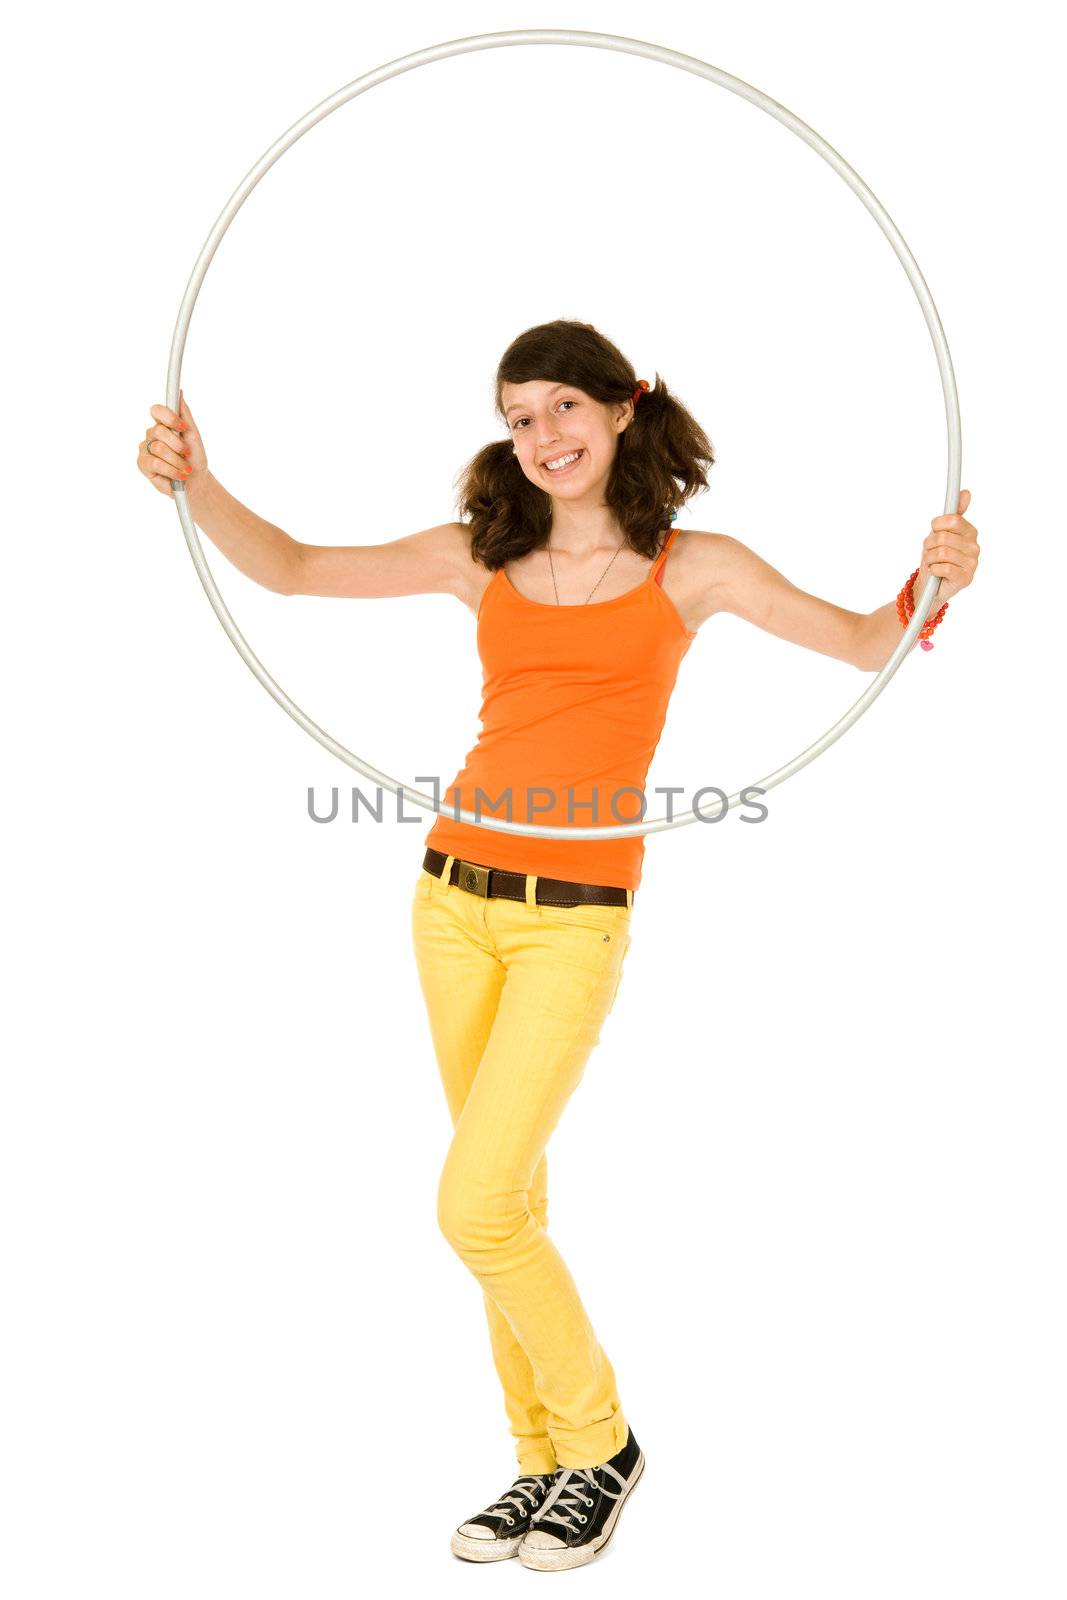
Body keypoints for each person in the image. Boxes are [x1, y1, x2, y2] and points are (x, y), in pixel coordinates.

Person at [137, 319, 979, 1571]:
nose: (541, 437)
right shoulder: (485, 557)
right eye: (516, 416)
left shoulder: (691, 567)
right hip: (449, 902)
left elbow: (863, 641)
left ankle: (599, 1444)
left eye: (561, 409)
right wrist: (195, 481)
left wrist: (935, 580)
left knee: (472, 1206)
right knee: (508, 1200)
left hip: (572, 916)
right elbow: (299, 568)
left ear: (622, 407)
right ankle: (537, 1468)